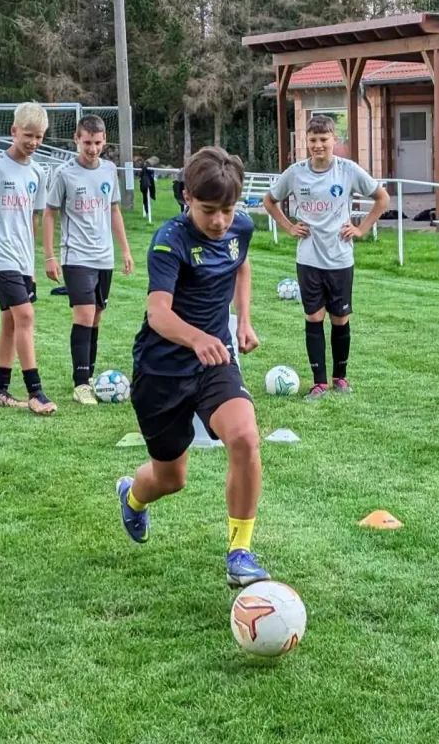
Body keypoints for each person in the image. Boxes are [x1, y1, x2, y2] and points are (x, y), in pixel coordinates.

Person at [116, 146, 270, 589]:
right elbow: (157, 315)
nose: (220, 221)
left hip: (214, 360)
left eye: (227, 209)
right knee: (170, 478)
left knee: (244, 436)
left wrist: (242, 321)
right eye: (208, 210)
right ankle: (133, 496)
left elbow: (241, 265)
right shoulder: (170, 240)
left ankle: (240, 552)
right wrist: (197, 336)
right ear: (186, 198)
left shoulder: (240, 227)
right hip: (162, 370)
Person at [263, 115, 390, 399]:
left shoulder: (347, 171)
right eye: (312, 140)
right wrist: (288, 226)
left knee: (340, 319)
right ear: (305, 142)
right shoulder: (295, 173)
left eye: (323, 140)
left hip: (340, 259)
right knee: (313, 316)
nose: (318, 146)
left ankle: (340, 378)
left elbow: (382, 198)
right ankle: (319, 382)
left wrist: (361, 228)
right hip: (308, 258)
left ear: (335, 140)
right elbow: (269, 200)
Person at [0, 102, 56, 415]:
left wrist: (31, 264)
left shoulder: (38, 173)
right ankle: (36, 392)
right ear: (14, 132)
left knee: (10, 321)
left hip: (20, 259)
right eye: (28, 135)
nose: (33, 141)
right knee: (26, 317)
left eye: (40, 137)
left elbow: (32, 220)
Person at [43, 115, 134, 405]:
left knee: (96, 318)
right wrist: (49, 256)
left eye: (97, 143)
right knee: (83, 315)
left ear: (104, 141)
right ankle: (80, 383)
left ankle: (90, 376)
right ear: (76, 140)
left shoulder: (108, 170)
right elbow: (49, 213)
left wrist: (125, 250)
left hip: (103, 257)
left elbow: (114, 211)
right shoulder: (64, 174)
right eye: (87, 143)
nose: (92, 148)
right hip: (76, 256)